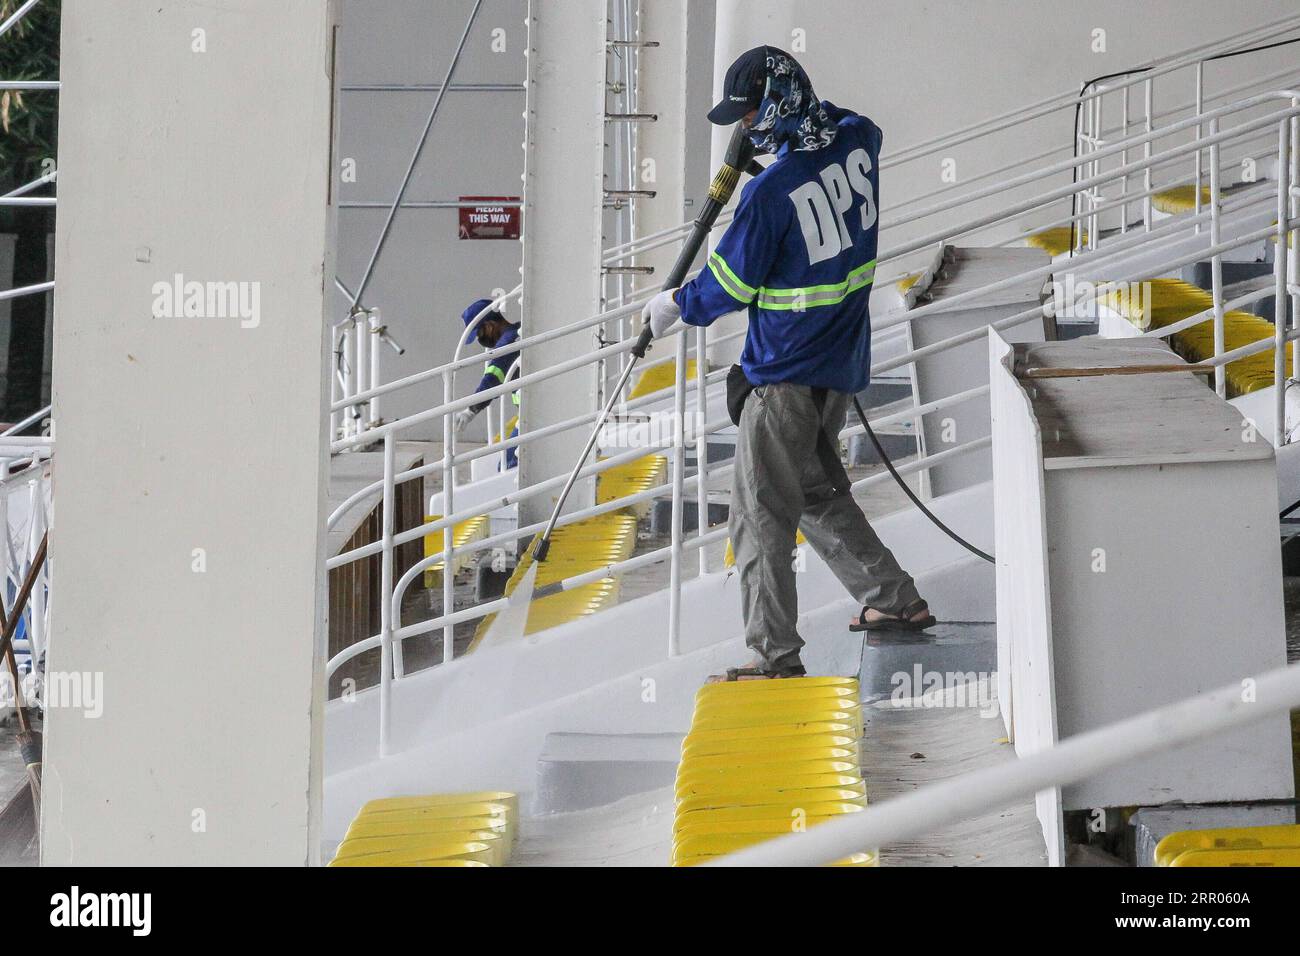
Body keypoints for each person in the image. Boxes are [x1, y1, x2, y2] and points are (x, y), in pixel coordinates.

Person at [641, 46, 934, 680]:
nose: (744, 128)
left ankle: (772, 654)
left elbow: (729, 286)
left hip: (783, 373)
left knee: (758, 513)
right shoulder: (856, 136)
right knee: (813, 492)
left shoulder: (771, 194)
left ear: (775, 102)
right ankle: (893, 600)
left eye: (748, 115)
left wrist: (673, 306)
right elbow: (839, 144)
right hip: (839, 361)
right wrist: (777, 155)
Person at [455, 298, 521, 469]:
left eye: (480, 334)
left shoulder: (507, 342)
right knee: (508, 464)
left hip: (532, 416)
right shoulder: (519, 332)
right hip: (529, 413)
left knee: (509, 465)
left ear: (490, 325)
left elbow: (492, 378)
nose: (480, 340)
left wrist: (471, 410)